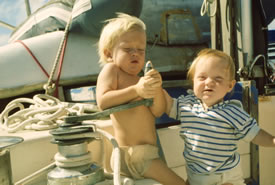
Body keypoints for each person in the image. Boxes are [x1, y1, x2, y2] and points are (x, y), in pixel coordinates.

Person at [96, 13, 187, 185]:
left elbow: (158, 110)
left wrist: (157, 89)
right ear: (109, 54)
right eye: (128, 49)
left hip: (146, 154)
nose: (135, 54)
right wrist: (136, 90)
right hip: (134, 155)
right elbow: (103, 101)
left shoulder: (140, 81)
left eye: (140, 49)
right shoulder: (111, 71)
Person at [163, 48, 275, 185]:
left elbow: (255, 134)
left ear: (230, 86)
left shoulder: (232, 111)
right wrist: (156, 87)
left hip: (226, 178)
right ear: (194, 81)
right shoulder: (186, 105)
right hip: (196, 177)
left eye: (218, 78)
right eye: (202, 77)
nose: (209, 82)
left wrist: (273, 141)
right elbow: (167, 104)